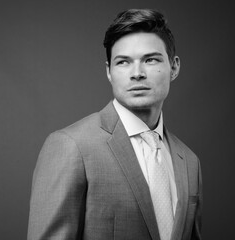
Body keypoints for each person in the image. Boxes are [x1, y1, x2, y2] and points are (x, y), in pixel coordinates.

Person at [27, 9, 202, 240]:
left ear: (174, 67)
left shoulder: (189, 161)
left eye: (150, 60)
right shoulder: (71, 146)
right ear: (109, 71)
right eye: (123, 62)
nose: (137, 73)